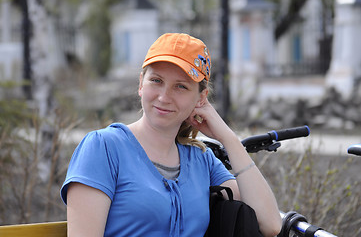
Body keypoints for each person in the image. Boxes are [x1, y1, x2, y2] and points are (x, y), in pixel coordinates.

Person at [60, 33, 282, 237]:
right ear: (141, 84)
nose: (164, 97)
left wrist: (228, 139)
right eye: (156, 81)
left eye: (181, 87)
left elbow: (270, 224)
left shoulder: (201, 160)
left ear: (201, 98)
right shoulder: (104, 148)